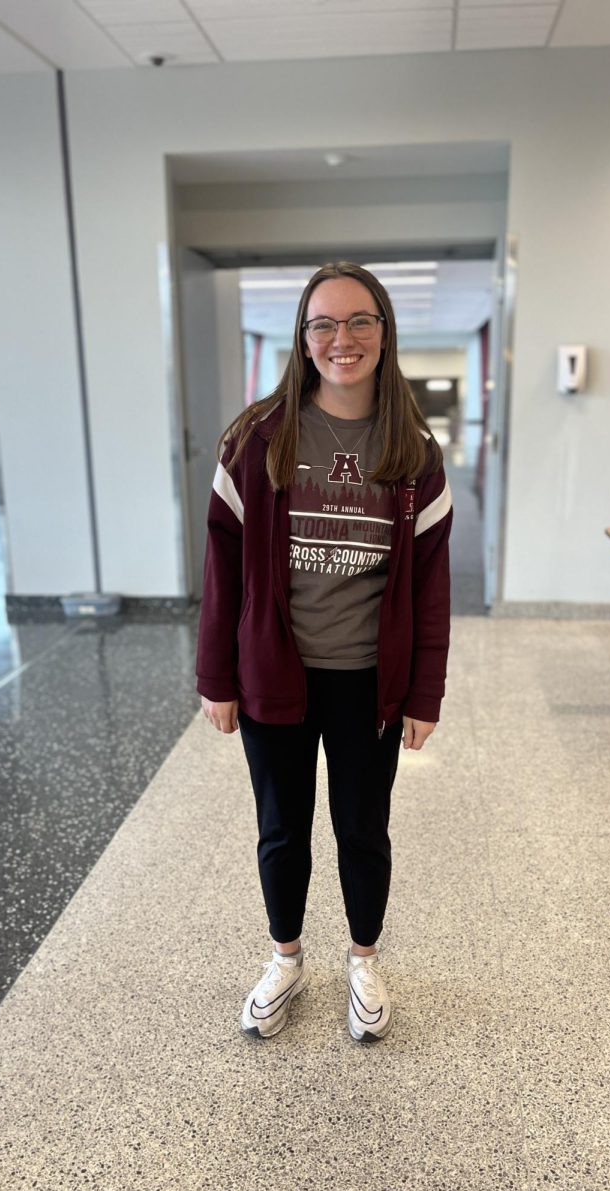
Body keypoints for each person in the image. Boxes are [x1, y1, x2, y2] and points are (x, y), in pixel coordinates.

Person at [196, 261, 452, 1042]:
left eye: (360, 321)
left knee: (362, 827)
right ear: (303, 340)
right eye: (324, 324)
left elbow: (430, 584)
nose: (343, 339)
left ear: (384, 332)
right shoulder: (257, 437)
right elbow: (222, 567)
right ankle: (285, 958)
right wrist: (216, 675)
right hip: (275, 673)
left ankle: (363, 958)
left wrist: (423, 694)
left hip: (367, 683)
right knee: (281, 825)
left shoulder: (412, 448)